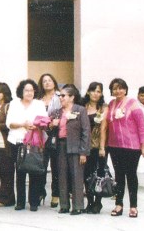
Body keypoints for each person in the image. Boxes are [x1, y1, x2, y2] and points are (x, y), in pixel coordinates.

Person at [99, 78, 144, 218]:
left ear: (125, 89)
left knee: (131, 175)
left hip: (132, 147)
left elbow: (142, 127)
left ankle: (133, 206)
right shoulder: (111, 104)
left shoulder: (133, 104)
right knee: (119, 175)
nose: (118, 91)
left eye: (120, 88)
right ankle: (119, 204)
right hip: (114, 146)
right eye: (114, 88)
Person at [6, 79, 48, 211]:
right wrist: (22, 124)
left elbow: (45, 121)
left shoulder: (39, 104)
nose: (29, 93)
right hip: (17, 141)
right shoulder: (14, 103)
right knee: (20, 172)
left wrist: (36, 125)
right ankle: (20, 202)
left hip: (34, 142)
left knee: (34, 171)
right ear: (21, 91)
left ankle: (33, 202)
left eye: (31, 90)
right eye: (26, 90)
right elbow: (9, 123)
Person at [52, 85, 89, 215]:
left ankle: (78, 206)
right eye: (59, 96)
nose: (61, 98)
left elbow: (85, 132)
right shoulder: (57, 112)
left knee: (76, 176)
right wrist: (52, 124)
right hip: (61, 145)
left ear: (72, 97)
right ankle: (64, 205)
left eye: (63, 96)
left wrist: (83, 152)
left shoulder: (80, 110)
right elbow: (50, 129)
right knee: (62, 175)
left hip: (75, 145)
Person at [36, 73, 63, 208]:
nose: (47, 83)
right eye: (44, 81)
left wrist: (56, 122)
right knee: (40, 165)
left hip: (55, 134)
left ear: (54, 82)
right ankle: (40, 191)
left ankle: (56, 194)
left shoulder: (60, 96)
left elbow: (65, 112)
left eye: (49, 80)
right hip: (40, 134)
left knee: (56, 166)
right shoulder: (37, 99)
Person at [81, 82, 106, 213]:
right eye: (93, 91)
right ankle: (90, 202)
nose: (95, 94)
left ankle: (98, 202)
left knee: (99, 175)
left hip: (98, 146)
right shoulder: (82, 107)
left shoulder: (103, 108)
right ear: (88, 92)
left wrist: (102, 147)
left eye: (98, 91)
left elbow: (103, 129)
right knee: (87, 174)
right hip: (85, 146)